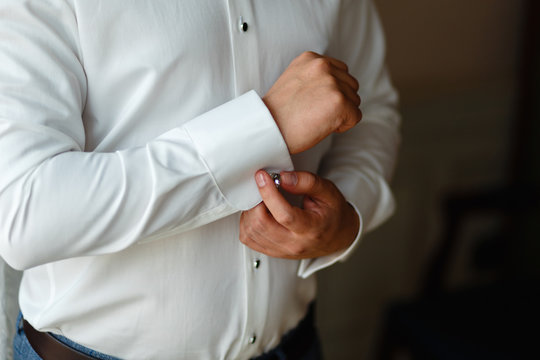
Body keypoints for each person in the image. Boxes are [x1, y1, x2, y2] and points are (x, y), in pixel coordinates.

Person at [0, 0, 400, 359]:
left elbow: (372, 111)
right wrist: (266, 126)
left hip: (295, 346)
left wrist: (347, 216)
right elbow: (24, 212)